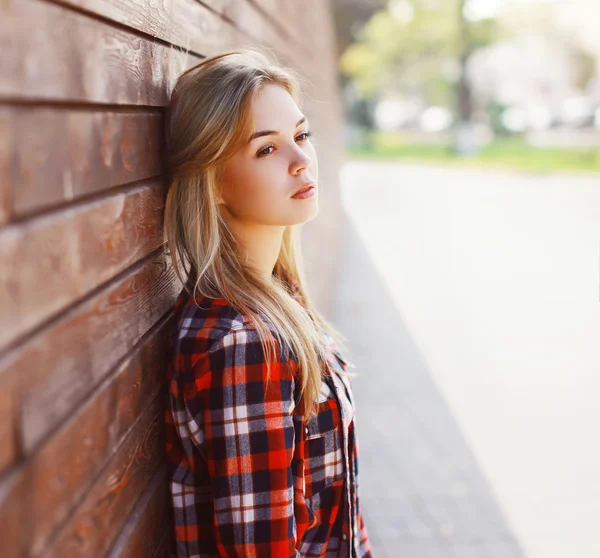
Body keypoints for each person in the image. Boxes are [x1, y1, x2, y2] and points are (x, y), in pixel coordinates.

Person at [162, 48, 373, 558]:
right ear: (213, 183)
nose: (301, 161)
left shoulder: (279, 300)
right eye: (266, 149)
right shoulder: (242, 345)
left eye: (301, 136)